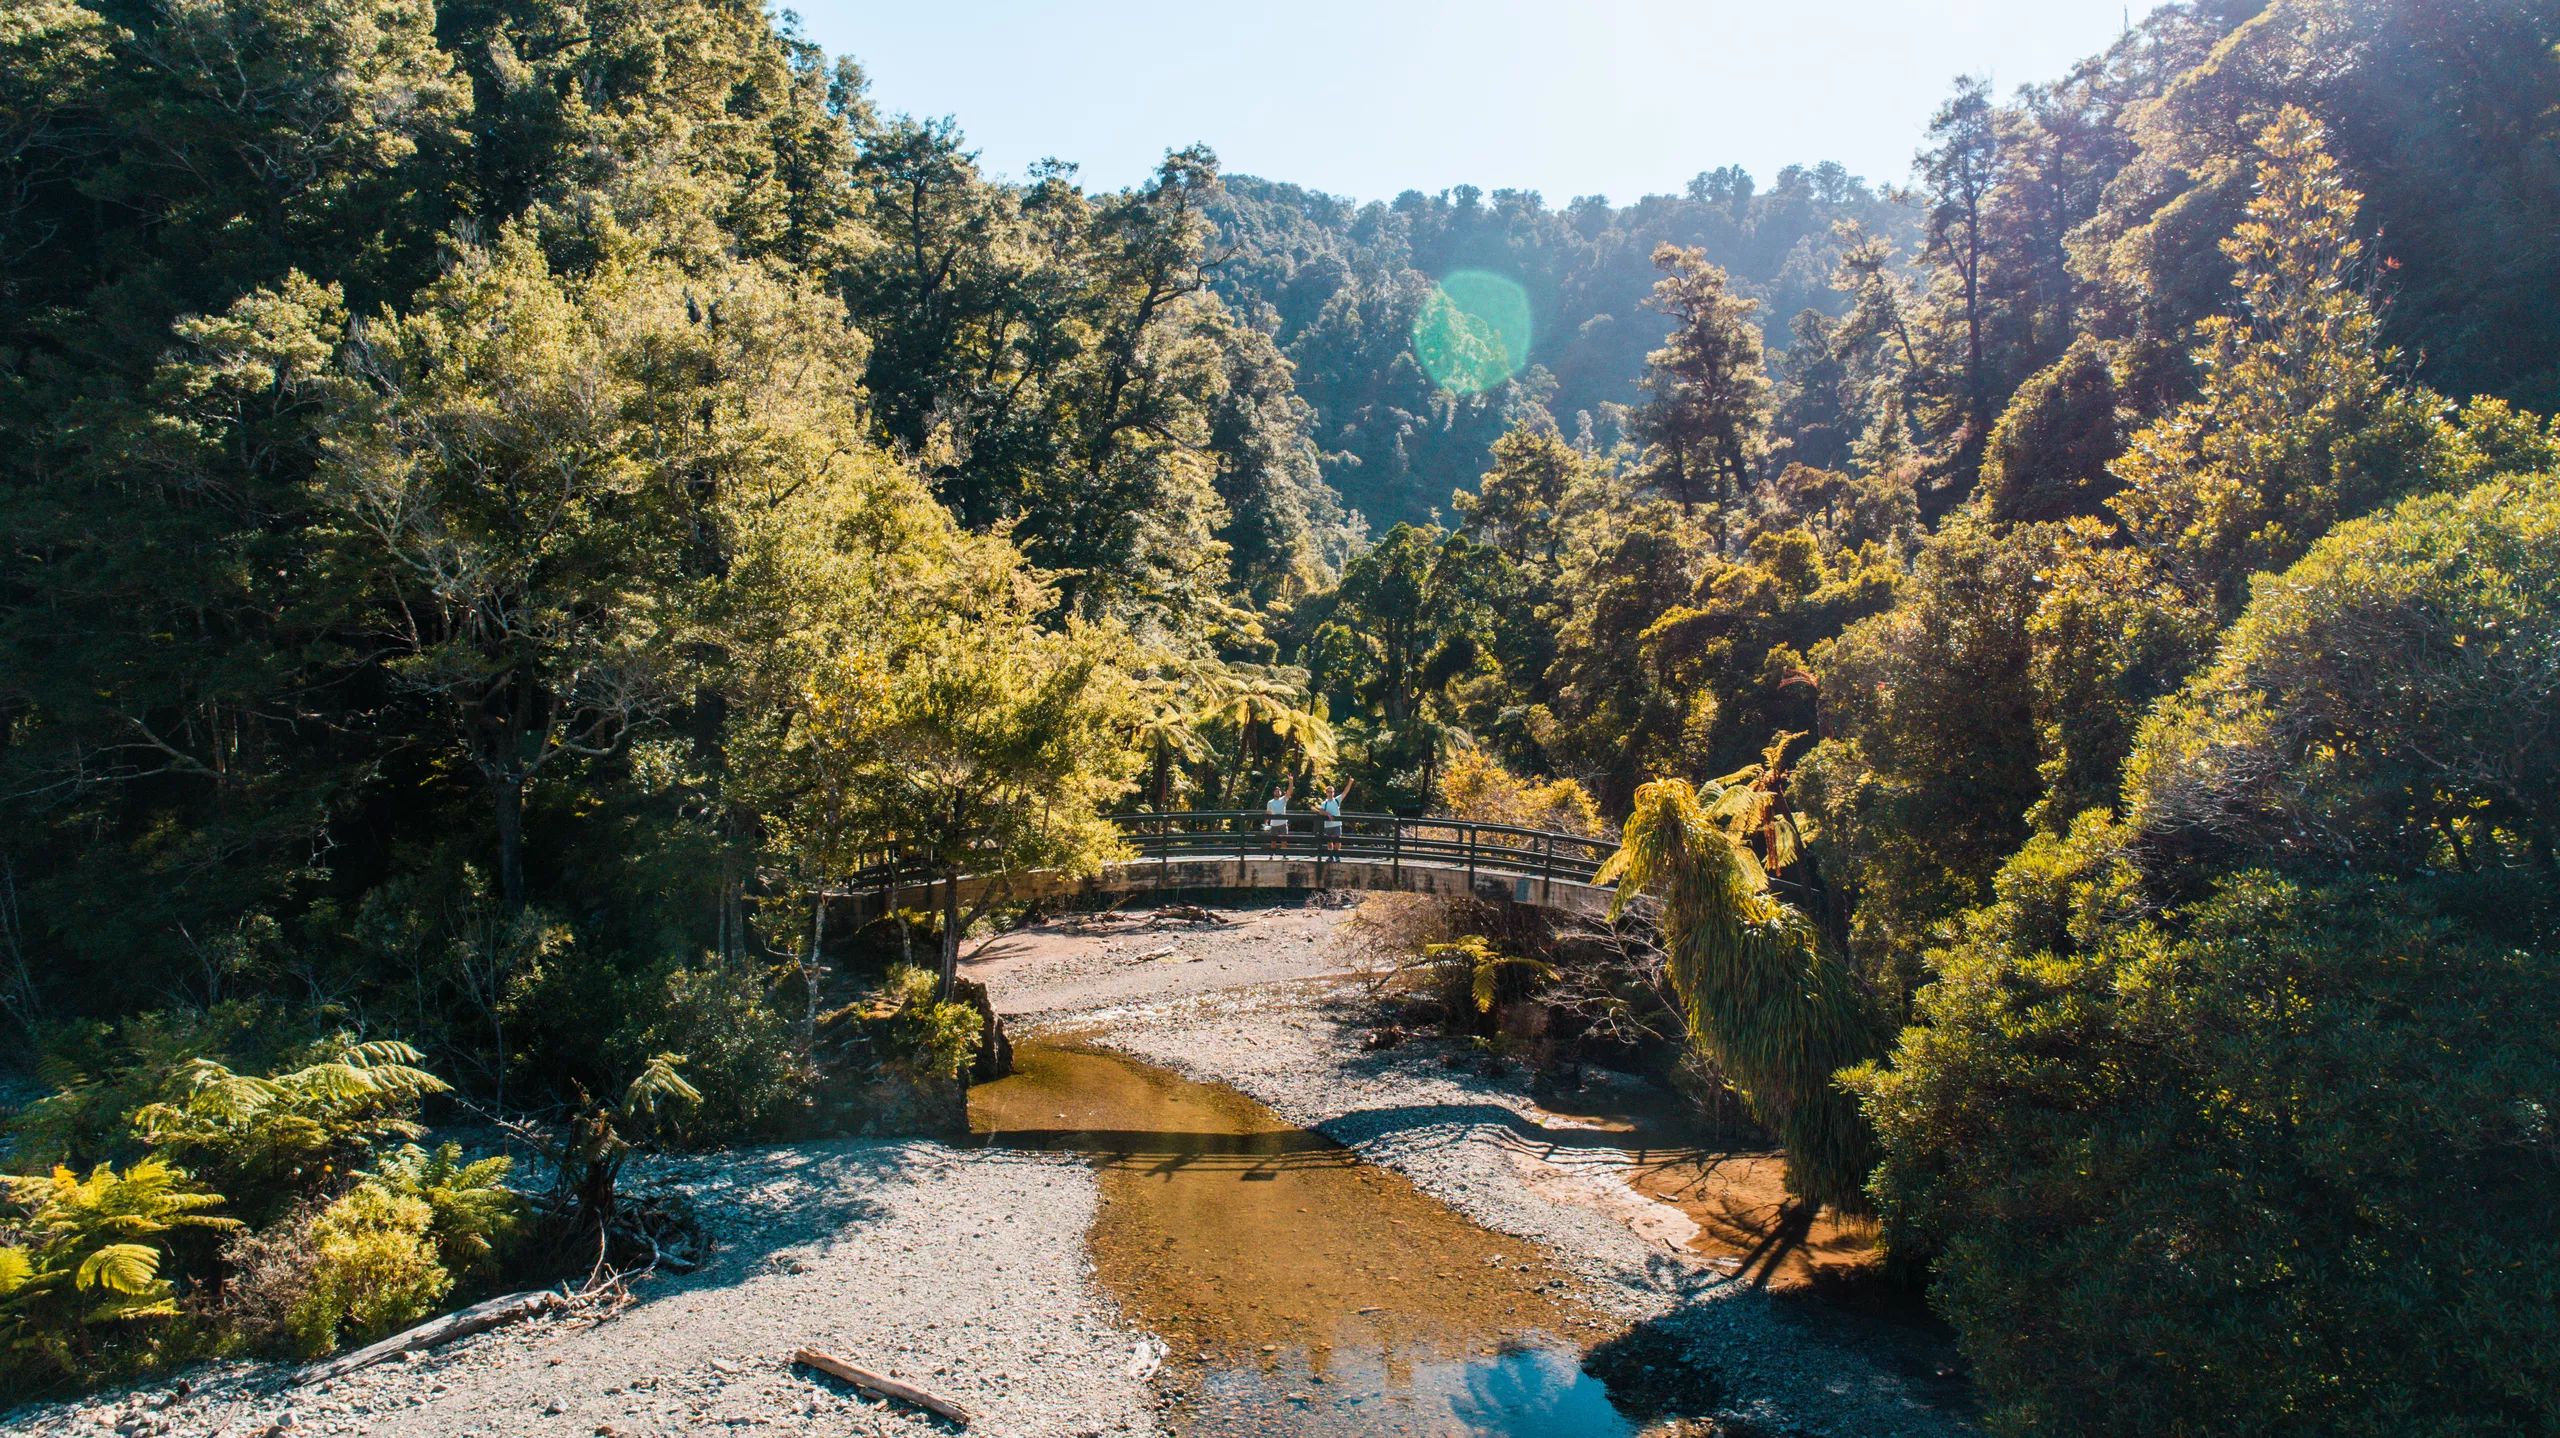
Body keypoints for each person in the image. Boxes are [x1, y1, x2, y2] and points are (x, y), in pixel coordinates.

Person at [1318, 778, 1352, 860]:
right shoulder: (1324, 803)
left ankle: (1336, 855)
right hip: (1328, 825)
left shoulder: (1337, 800)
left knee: (1337, 840)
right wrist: (1328, 814)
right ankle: (1330, 856)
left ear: (1334, 793)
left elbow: (1345, 792)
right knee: (1329, 841)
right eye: (1329, 792)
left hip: (1337, 824)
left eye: (1332, 792)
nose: (1330, 793)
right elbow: (1321, 811)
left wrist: (1350, 782)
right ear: (1326, 793)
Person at [1262, 778, 1295, 853]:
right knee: (1273, 841)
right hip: (1274, 824)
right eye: (1276, 791)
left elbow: (1290, 791)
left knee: (1284, 841)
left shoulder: (1283, 799)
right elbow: (1268, 813)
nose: (1278, 792)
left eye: (1279, 791)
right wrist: (1265, 823)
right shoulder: (1270, 802)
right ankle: (1272, 855)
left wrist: (1291, 781)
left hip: (1283, 824)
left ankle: (1284, 855)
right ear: (1274, 793)